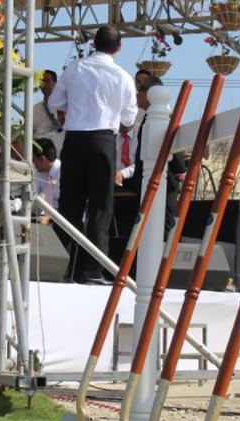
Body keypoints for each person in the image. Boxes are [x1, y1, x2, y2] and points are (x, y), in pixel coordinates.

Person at [47, 25, 137, 284]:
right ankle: (91, 272)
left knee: (69, 204)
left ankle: (61, 267)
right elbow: (129, 119)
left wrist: (76, 107)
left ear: (94, 44)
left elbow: (54, 102)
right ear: (119, 48)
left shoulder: (75, 68)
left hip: (75, 139)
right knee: (100, 207)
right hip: (103, 141)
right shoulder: (123, 76)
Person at [123, 75, 189, 238]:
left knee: (164, 228)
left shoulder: (165, 117)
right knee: (148, 229)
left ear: (149, 94)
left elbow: (171, 144)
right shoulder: (147, 117)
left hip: (165, 182)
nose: (137, 95)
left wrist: (181, 170)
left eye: (139, 91)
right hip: (146, 180)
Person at [33, 70, 65, 153]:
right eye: (42, 81)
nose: (44, 84)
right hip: (37, 151)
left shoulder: (64, 106)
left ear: (55, 83)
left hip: (57, 150)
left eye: (47, 81)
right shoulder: (34, 109)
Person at [31, 137, 60, 224]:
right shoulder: (41, 172)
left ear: (42, 159)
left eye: (33, 159)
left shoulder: (65, 172)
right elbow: (32, 193)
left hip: (67, 222)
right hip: (49, 218)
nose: (33, 163)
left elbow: (69, 204)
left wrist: (50, 218)